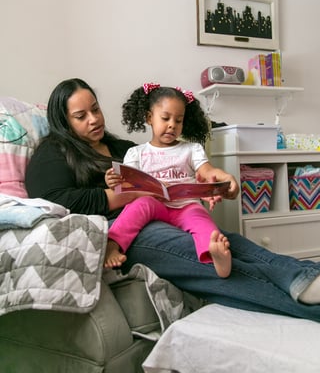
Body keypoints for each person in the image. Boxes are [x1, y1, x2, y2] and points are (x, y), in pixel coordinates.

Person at [25, 78, 320, 323]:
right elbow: (52, 199)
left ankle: (304, 275)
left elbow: (187, 171)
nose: (94, 119)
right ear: (63, 122)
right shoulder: (54, 151)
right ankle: (307, 301)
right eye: (81, 116)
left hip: (171, 211)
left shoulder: (121, 146)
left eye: (96, 109)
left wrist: (219, 187)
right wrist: (129, 194)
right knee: (199, 256)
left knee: (223, 240)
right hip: (129, 227)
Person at [105, 83, 231, 278]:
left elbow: (207, 170)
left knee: (201, 217)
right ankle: (113, 245)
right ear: (149, 118)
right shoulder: (136, 153)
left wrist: (221, 178)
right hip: (154, 204)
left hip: (186, 206)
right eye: (165, 118)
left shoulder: (192, 149)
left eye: (178, 120)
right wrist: (114, 180)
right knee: (139, 204)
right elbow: (128, 185)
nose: (172, 124)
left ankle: (216, 256)